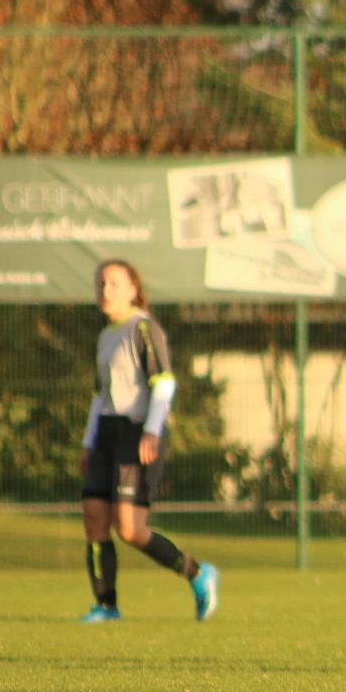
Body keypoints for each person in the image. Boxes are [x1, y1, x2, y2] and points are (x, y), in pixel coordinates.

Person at [79, 260, 219, 624]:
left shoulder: (143, 328)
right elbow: (100, 394)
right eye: (100, 284)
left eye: (113, 284)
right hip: (106, 434)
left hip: (136, 434)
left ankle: (197, 574)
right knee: (94, 517)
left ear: (133, 290)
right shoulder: (106, 334)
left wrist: (153, 430)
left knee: (130, 529)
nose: (104, 291)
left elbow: (165, 382)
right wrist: (87, 441)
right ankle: (106, 606)